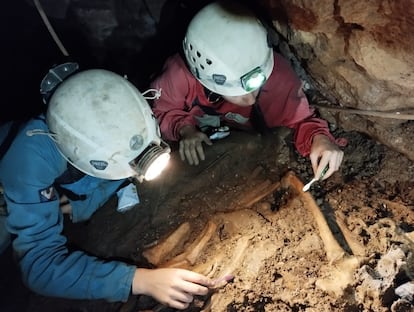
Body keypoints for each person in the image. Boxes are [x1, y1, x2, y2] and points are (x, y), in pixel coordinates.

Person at [0, 64, 214, 310]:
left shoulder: (120, 106)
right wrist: (138, 280)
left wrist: (85, 202)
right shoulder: (30, 158)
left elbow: (120, 171)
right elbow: (39, 266)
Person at [150, 0, 344, 180]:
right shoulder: (177, 76)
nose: (251, 98)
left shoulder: (278, 76)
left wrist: (320, 139)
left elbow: (301, 120)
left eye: (256, 87)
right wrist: (185, 129)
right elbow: (161, 112)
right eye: (237, 92)